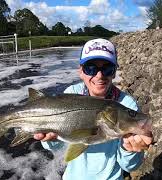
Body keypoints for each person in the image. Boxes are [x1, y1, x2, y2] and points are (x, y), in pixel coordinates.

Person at [34, 38, 153, 180]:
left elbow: (129, 166)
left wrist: (130, 150)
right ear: (81, 72)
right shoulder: (71, 93)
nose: (99, 75)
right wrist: (51, 139)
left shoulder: (127, 104)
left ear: (114, 72)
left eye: (107, 68)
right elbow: (59, 149)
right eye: (91, 68)